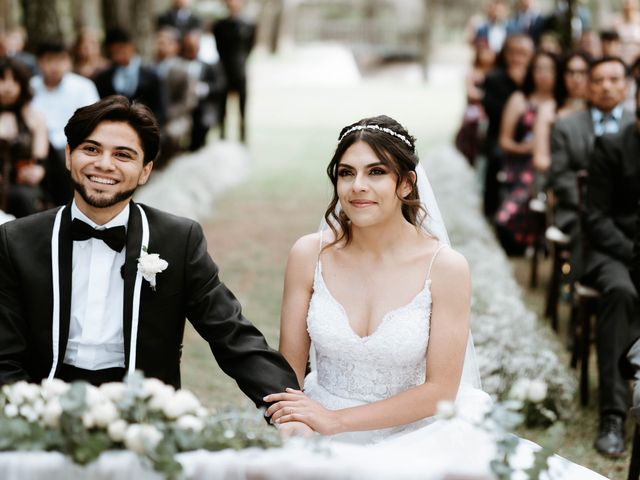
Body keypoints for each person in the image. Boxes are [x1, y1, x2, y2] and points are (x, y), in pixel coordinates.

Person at [263, 116, 606, 478]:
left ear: (407, 183)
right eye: (346, 173)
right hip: (317, 427)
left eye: (376, 172)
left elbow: (439, 391)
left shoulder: (445, 268)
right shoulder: (308, 254)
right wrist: (296, 424)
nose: (357, 186)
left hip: (420, 434)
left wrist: (336, 421)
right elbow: (289, 374)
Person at [0, 96, 300, 421]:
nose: (104, 164)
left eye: (123, 155)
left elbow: (231, 334)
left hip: (144, 412)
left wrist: (290, 409)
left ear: (145, 171)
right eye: (91, 149)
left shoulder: (177, 240)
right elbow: (4, 356)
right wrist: (27, 418)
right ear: (69, 156)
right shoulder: (17, 240)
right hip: (44, 406)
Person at [581, 84, 640, 457]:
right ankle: (613, 415)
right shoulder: (611, 145)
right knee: (622, 293)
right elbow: (596, 217)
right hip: (613, 250)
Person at [549, 56, 632, 284]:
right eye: (598, 80)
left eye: (614, 79)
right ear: (588, 87)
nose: (606, 86)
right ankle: (579, 282)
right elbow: (560, 175)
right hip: (578, 210)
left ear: (626, 86)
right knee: (591, 227)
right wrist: (593, 204)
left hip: (628, 214)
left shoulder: (636, 125)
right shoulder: (566, 126)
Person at [495, 50, 561, 255]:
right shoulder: (520, 99)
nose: (543, 74)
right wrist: (524, 149)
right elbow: (504, 140)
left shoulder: (561, 103)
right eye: (538, 69)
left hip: (554, 164)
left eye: (549, 69)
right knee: (507, 217)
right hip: (521, 165)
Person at [31, 41, 100, 206]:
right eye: (49, 60)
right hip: (37, 149)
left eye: (60, 60)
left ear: (68, 61)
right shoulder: (31, 87)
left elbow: (93, 120)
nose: (55, 66)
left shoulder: (83, 86)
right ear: (39, 62)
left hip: (71, 146)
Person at [481, 34, 534, 219]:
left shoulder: (536, 78)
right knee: (497, 157)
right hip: (500, 137)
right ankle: (494, 212)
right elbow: (492, 111)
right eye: (513, 53)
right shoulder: (495, 78)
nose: (518, 58)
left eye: (524, 53)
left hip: (532, 137)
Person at [0, 58, 48, 218]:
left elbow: (40, 160)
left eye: (14, 80)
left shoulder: (34, 118)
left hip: (22, 186)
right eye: (2, 79)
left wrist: (36, 170)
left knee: (23, 197)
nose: (7, 87)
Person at [532, 51, 590, 174]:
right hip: (557, 179)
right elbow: (540, 158)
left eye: (582, 72)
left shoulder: (599, 109)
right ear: (562, 75)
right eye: (571, 72)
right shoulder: (548, 109)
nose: (576, 78)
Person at [95, 27, 166, 126]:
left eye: (120, 49)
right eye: (113, 51)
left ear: (130, 46)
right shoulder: (103, 78)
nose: (117, 55)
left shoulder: (150, 76)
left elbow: (160, 110)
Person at [213, 0, 256, 143]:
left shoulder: (250, 24)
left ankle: (242, 137)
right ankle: (222, 135)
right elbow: (219, 48)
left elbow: (250, 47)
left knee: (242, 106)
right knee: (222, 106)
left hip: (240, 70)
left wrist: (241, 63)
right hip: (224, 70)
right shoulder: (219, 25)